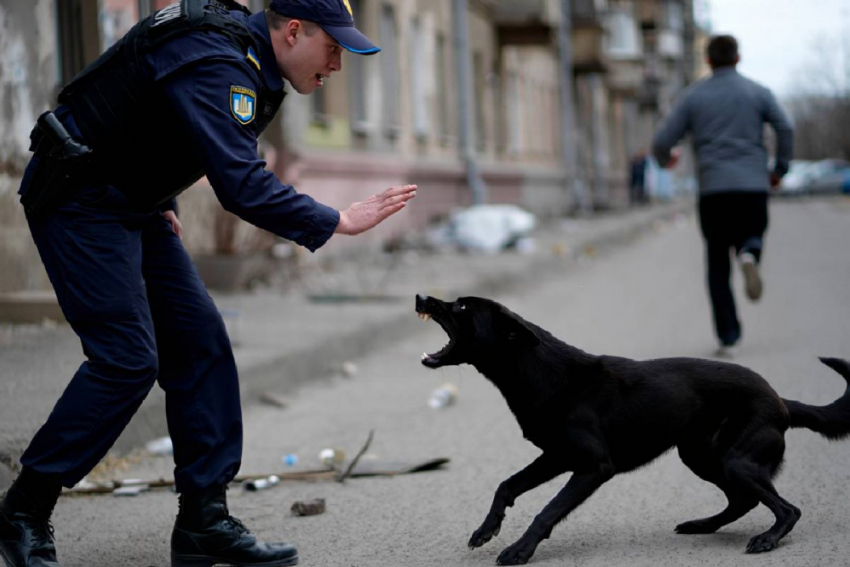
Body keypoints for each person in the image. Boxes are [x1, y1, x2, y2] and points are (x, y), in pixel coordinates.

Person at [0, 1, 416, 566]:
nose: (338, 64)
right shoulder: (220, 59)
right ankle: (23, 510)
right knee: (126, 360)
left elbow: (148, 107)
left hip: (134, 201)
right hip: (79, 198)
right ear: (294, 31)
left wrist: (162, 192)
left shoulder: (239, 54)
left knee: (201, 341)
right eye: (334, 48)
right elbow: (240, 184)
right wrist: (336, 220)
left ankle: (204, 519)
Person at [652, 34, 793, 357]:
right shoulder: (759, 92)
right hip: (753, 185)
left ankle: (728, 335)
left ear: (709, 61)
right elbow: (785, 127)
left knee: (717, 263)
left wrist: (666, 160)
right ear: (738, 58)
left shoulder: (693, 97)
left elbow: (662, 140)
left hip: (714, 190)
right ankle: (750, 253)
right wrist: (779, 169)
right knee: (752, 234)